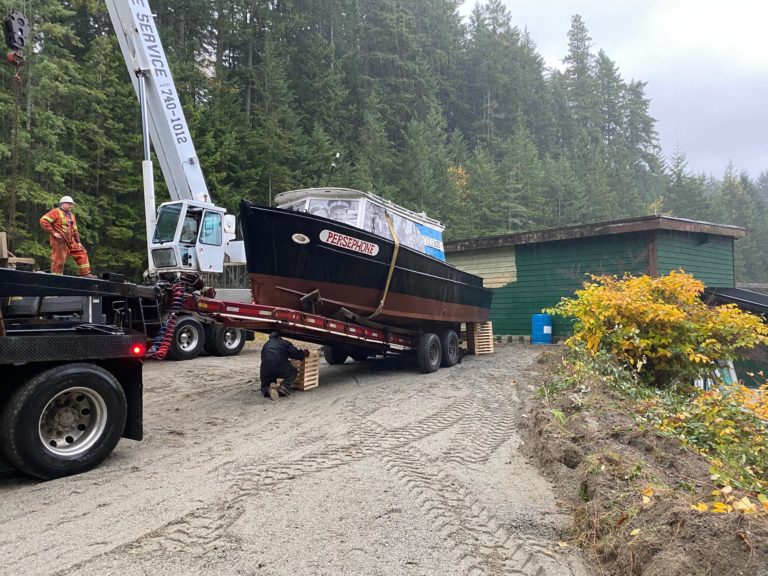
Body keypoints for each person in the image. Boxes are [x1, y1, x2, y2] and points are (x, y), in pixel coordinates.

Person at [39, 195, 95, 277]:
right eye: (69, 204)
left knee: (82, 252)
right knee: (59, 260)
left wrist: (78, 242)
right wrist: (53, 233)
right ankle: (56, 277)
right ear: (62, 204)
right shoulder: (55, 212)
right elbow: (43, 220)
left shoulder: (71, 215)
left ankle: (85, 273)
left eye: (71, 204)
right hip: (60, 241)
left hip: (71, 240)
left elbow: (75, 229)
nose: (71, 206)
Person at [260, 332, 310, 400]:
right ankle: (284, 387)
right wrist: (303, 353)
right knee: (293, 371)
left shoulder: (265, 345)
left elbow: (265, 358)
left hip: (265, 370)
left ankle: (269, 390)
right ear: (280, 337)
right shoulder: (285, 343)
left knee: (265, 384)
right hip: (280, 368)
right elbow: (296, 354)